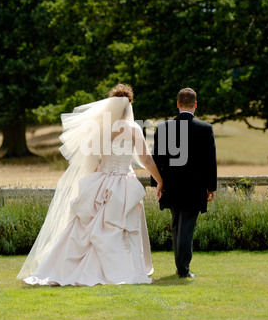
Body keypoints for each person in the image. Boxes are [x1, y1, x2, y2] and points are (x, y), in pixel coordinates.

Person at [18, 84, 163, 286]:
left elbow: (94, 159)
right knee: (121, 228)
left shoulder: (101, 127)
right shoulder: (132, 129)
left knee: (87, 228)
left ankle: (69, 269)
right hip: (123, 183)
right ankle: (123, 271)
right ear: (129, 105)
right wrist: (160, 180)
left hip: (102, 181)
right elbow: (146, 160)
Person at [152, 88, 217, 278]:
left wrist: (157, 184)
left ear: (178, 104)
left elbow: (157, 159)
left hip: (171, 186)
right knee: (186, 228)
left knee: (176, 226)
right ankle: (183, 269)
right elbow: (209, 161)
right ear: (195, 104)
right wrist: (211, 187)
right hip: (194, 188)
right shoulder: (205, 129)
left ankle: (181, 266)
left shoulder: (164, 127)